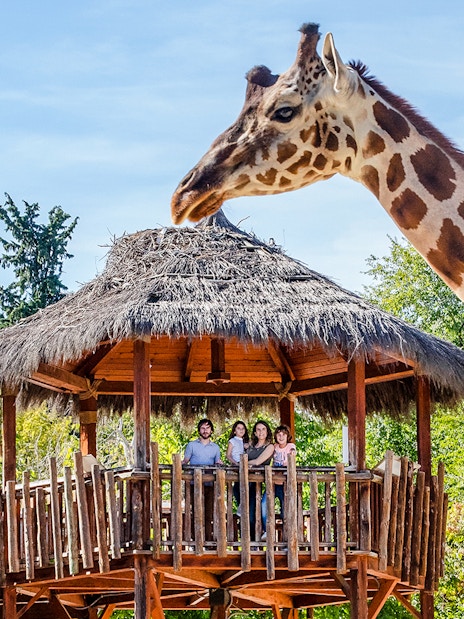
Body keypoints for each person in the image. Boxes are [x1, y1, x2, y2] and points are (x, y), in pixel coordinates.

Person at [182, 418, 222, 540]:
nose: (205, 431)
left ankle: (208, 539)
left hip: (210, 483)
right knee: (196, 511)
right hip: (195, 483)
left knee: (209, 512)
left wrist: (220, 464)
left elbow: (217, 463)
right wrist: (178, 464)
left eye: (207, 428)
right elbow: (185, 461)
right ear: (199, 430)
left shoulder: (215, 447)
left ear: (211, 430)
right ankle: (196, 538)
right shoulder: (191, 445)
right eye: (203, 428)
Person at [262, 425, 297, 538]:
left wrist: (283, 465)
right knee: (264, 505)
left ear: (288, 436)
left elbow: (291, 457)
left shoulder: (291, 446)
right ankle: (266, 531)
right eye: (279, 434)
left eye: (284, 434)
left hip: (284, 485)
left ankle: (288, 537)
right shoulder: (274, 447)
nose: (281, 437)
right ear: (276, 436)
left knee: (285, 511)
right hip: (272, 483)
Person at [247, 420, 274, 541]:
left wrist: (243, 463)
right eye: (258, 429)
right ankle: (249, 539)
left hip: (260, 483)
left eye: (263, 429)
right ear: (255, 432)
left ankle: (257, 538)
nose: (261, 432)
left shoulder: (270, 446)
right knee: (247, 513)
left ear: (267, 431)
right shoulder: (251, 446)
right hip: (247, 481)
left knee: (254, 513)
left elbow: (258, 461)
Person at [226, 420, 250, 513]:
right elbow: (228, 455)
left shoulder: (244, 442)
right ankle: (241, 507)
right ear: (234, 431)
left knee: (244, 486)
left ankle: (243, 507)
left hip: (244, 465)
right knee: (237, 487)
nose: (241, 430)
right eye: (238, 428)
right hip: (236, 465)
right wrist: (235, 463)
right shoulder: (232, 441)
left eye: (243, 428)